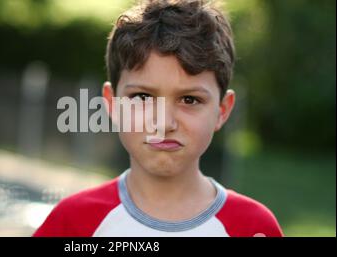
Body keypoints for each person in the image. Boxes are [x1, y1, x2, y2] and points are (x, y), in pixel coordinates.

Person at [34, 0, 283, 237]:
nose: (163, 124)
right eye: (142, 97)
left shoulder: (252, 226)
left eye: (189, 100)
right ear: (112, 104)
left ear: (222, 110)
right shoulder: (73, 222)